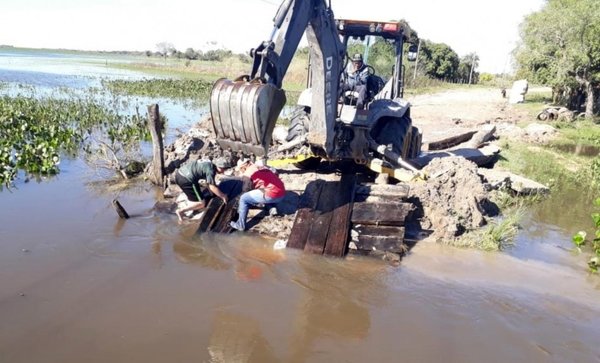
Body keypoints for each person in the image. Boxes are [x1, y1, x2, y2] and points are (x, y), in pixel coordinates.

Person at [230, 160, 286, 231]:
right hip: (282, 194)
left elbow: (246, 190)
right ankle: (272, 208)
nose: (241, 171)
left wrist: (238, 201)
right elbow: (276, 173)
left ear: (243, 166)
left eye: (241, 169)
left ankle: (240, 225)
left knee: (243, 198)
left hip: (271, 195)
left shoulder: (247, 174)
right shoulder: (262, 166)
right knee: (263, 189)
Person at [175, 156, 231, 221]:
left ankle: (192, 202)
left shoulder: (209, 163)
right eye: (223, 169)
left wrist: (211, 193)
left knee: (195, 194)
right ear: (218, 166)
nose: (223, 171)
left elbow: (208, 182)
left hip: (180, 173)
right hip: (186, 180)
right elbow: (211, 186)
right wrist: (223, 196)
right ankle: (181, 211)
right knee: (202, 203)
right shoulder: (211, 170)